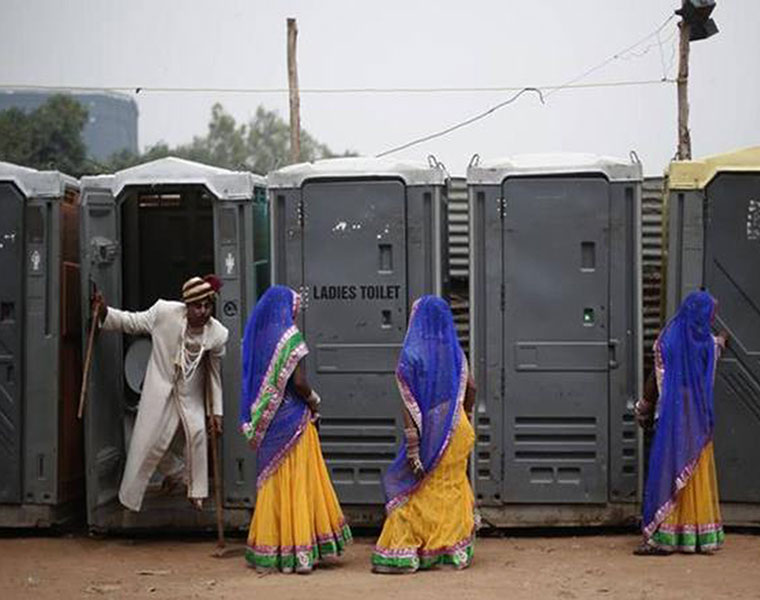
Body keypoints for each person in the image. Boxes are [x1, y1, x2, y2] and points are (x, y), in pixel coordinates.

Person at [92, 275, 229, 512]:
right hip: (160, 392)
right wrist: (105, 312)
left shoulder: (216, 333)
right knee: (147, 442)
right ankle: (137, 493)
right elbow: (132, 322)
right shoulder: (164, 313)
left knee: (196, 435)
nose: (204, 311)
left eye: (208, 305)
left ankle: (197, 493)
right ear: (187, 306)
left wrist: (216, 412)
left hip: (191, 396)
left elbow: (214, 376)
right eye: (198, 306)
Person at [240, 285, 351, 574]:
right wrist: (315, 401)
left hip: (269, 423)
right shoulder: (291, 339)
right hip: (293, 419)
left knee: (274, 482)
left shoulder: (259, 340)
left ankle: (273, 549)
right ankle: (300, 550)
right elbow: (299, 383)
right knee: (299, 482)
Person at [371, 295, 476, 573]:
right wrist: (463, 417)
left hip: (430, 431)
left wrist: (414, 445)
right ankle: (448, 552)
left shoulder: (412, 353)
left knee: (413, 485)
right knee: (449, 487)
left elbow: (409, 402)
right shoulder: (453, 352)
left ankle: (404, 553)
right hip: (458, 429)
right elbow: (472, 387)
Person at [634, 290, 727, 555]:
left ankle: (665, 536)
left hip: (673, 419)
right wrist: (722, 339)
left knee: (670, 469)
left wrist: (644, 406)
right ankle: (699, 537)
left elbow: (656, 375)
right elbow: (717, 347)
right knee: (694, 472)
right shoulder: (707, 343)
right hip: (697, 421)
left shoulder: (668, 339)